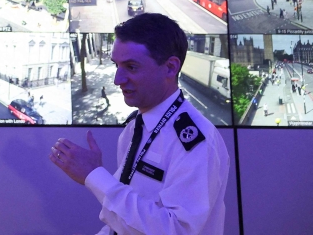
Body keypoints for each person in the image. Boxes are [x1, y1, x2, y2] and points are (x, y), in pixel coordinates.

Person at [51, 14, 229, 235]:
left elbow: (174, 230)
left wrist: (95, 176)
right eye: (117, 65)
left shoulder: (196, 141)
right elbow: (129, 219)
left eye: (131, 67)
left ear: (170, 68)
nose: (118, 79)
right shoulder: (133, 129)